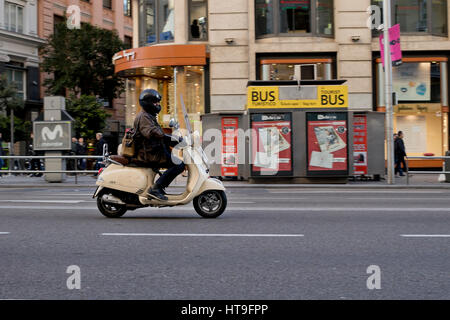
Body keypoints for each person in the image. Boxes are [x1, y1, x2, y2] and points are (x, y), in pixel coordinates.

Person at [133, 89, 185, 201]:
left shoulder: (148, 115)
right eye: (155, 102)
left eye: (158, 102)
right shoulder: (144, 117)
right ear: (148, 103)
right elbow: (153, 133)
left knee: (177, 162)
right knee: (179, 164)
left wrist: (176, 140)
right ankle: (157, 188)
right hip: (149, 153)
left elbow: (160, 135)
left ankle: (159, 187)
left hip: (153, 151)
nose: (158, 105)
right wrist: (170, 138)